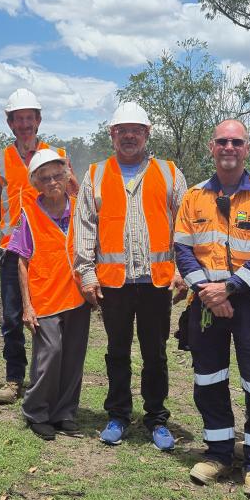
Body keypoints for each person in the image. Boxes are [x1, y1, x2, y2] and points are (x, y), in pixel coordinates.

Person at [174, 119, 250, 500]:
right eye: (222, 141)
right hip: (206, 305)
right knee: (208, 380)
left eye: (236, 142)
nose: (229, 148)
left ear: (247, 148)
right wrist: (208, 292)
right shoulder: (193, 196)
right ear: (211, 146)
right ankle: (219, 453)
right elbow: (183, 250)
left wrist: (230, 289)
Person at [73, 101, 187, 451]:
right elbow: (84, 227)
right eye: (122, 130)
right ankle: (118, 415)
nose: (129, 136)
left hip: (157, 282)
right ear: (112, 134)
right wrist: (87, 275)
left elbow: (186, 227)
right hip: (113, 284)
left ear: (148, 133)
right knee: (116, 350)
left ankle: (156, 418)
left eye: (136, 130)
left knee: (155, 353)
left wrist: (183, 271)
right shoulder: (95, 175)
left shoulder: (170, 173)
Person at [0, 88, 75, 405]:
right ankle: (14, 379)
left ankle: (50, 373)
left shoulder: (57, 154)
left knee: (53, 314)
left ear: (38, 120)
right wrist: (16, 226)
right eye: (18, 119)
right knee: (12, 316)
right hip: (13, 249)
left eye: (29, 118)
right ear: (10, 123)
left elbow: (75, 192)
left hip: (53, 252)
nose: (24, 124)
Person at [7, 150, 89, 440]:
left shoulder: (81, 209)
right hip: (45, 297)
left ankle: (65, 413)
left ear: (67, 176)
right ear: (37, 184)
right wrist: (26, 306)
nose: (53, 182)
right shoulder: (29, 213)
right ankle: (36, 411)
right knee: (50, 354)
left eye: (57, 175)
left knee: (73, 357)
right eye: (45, 178)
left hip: (78, 296)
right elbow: (21, 260)